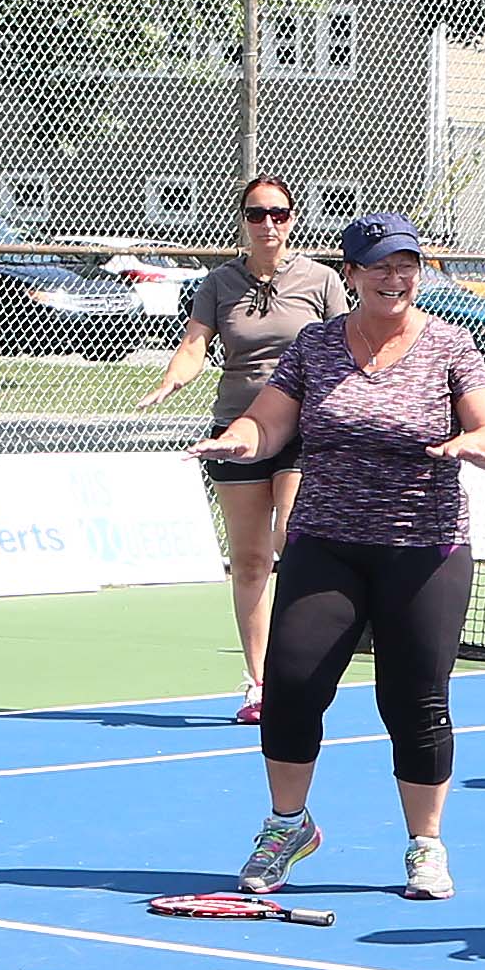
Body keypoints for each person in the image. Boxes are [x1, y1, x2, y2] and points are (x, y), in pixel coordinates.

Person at [191, 213, 485, 904]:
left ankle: (425, 846)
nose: (394, 278)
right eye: (378, 267)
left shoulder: (451, 346)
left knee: (416, 701)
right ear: (352, 275)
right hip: (327, 542)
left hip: (424, 548)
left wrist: (478, 443)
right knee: (293, 687)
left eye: (406, 266)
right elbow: (271, 418)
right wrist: (242, 440)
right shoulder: (316, 346)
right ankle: (288, 827)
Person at [147, 177, 339, 723]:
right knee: (251, 559)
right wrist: (171, 380)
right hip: (236, 431)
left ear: (293, 219)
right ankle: (259, 684)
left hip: (305, 428)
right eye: (257, 214)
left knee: (292, 539)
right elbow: (193, 346)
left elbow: (344, 346)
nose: (268, 224)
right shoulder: (219, 283)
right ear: (244, 221)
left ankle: (298, 668)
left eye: (278, 213)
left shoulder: (320, 280)